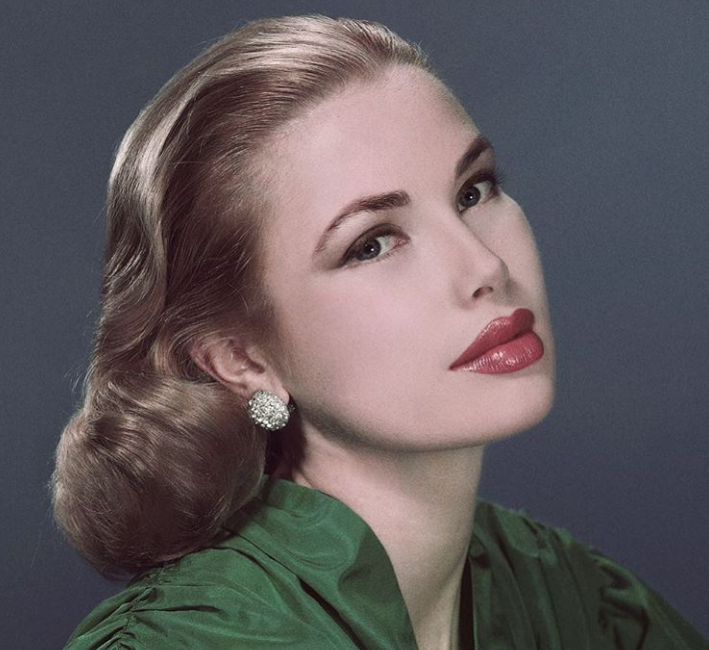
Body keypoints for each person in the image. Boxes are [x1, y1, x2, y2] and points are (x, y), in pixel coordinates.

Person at [53, 14, 707, 650]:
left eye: (473, 192)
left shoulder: (580, 603)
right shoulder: (185, 641)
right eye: (371, 244)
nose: (485, 267)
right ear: (240, 358)